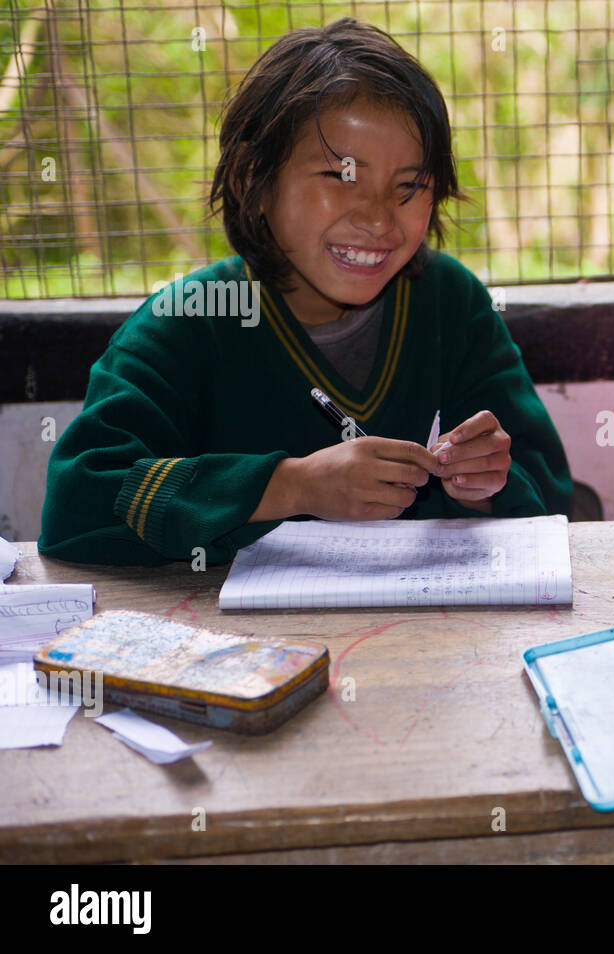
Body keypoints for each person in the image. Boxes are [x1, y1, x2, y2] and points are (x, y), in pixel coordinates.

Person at [40, 19, 571, 566]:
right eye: (342, 176)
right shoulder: (191, 318)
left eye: (409, 186)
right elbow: (79, 502)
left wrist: (485, 486)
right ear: (253, 180)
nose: (378, 219)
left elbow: (553, 498)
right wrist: (293, 486)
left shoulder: (450, 303)